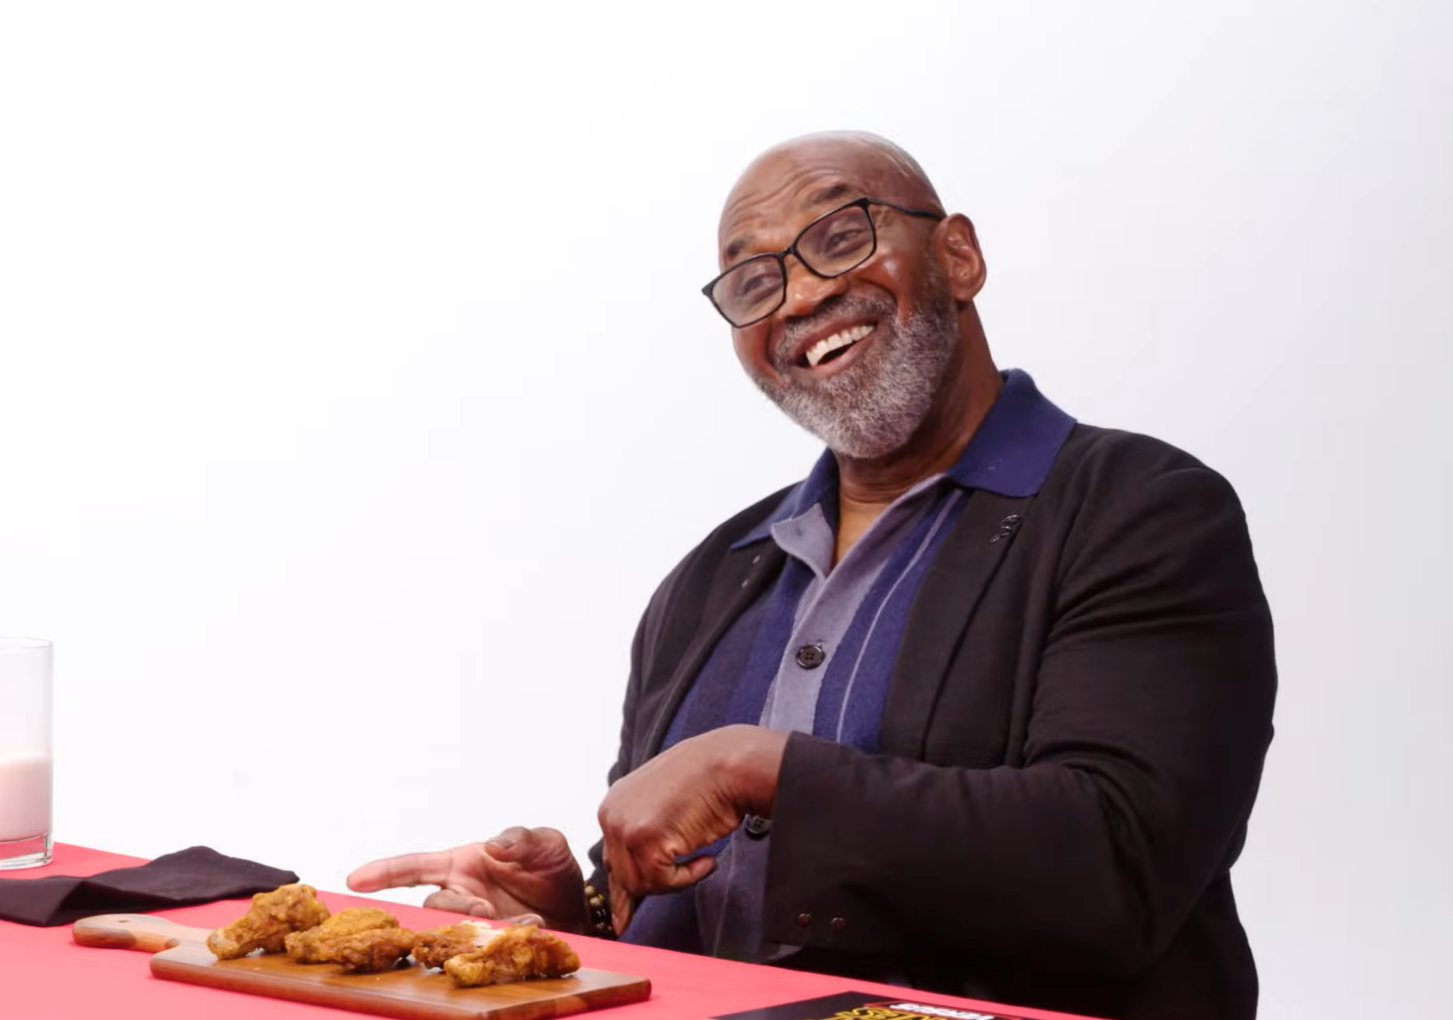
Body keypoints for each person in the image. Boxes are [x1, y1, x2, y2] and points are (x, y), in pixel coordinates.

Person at [348, 132, 1277, 1020]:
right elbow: (679, 907)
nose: (795, 298)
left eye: (840, 237)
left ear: (957, 256)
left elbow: (1118, 868)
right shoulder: (715, 576)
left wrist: (760, 769)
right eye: (755, 281)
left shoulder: (1137, 510)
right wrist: (566, 921)